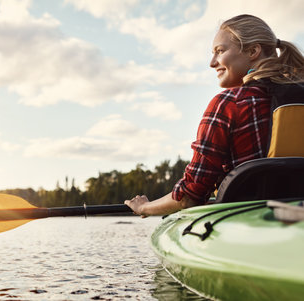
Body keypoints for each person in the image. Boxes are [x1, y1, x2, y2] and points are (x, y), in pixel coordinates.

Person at [125, 14, 304, 217]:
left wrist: (143, 207)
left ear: (253, 51)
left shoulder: (229, 103)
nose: (212, 62)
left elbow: (189, 197)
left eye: (220, 51)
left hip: (245, 221)